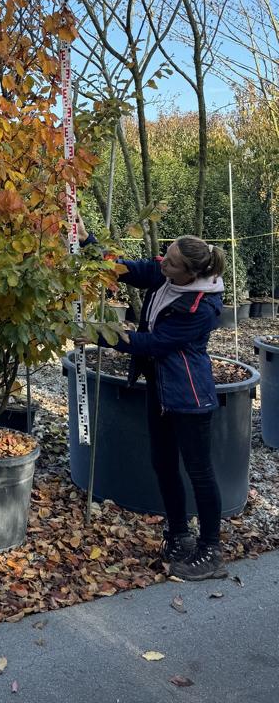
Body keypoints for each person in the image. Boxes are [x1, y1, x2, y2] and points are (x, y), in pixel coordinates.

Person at [76, 216, 227, 581]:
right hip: (161, 388)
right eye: (166, 255)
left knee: (199, 472)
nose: (163, 262)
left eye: (171, 262)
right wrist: (87, 241)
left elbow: (153, 343)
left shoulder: (200, 307)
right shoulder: (170, 272)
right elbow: (130, 269)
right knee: (162, 464)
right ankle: (177, 533)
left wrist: (96, 333)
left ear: (189, 273)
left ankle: (211, 548)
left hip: (189, 396)